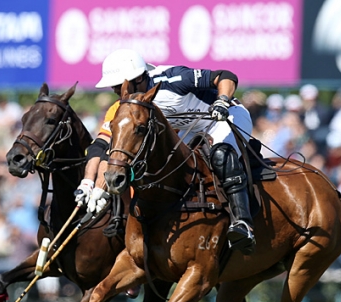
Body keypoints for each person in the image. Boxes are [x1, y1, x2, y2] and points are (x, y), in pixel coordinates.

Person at [74, 48, 256, 254]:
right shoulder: (130, 106)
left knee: (221, 155)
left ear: (135, 80)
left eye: (118, 86)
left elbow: (226, 76)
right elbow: (109, 148)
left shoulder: (174, 79)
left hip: (224, 117)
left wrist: (222, 101)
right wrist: (96, 185)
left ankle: (242, 222)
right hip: (192, 128)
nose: (117, 92)